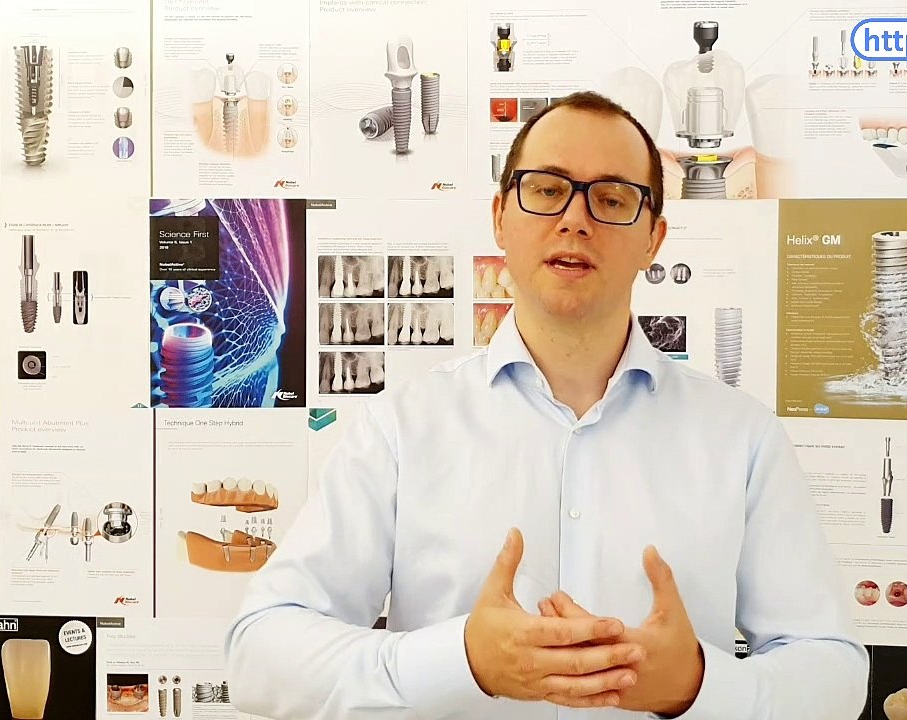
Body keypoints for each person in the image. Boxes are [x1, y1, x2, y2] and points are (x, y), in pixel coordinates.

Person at [224, 91, 870, 719]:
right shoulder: (403, 428)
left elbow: (835, 676)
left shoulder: (743, 440)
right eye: (546, 188)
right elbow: (260, 652)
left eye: (612, 198)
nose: (575, 219)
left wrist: (695, 686)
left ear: (654, 238)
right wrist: (463, 662)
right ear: (500, 216)